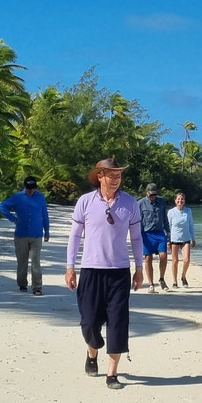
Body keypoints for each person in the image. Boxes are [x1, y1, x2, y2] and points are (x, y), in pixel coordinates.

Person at [65, 157, 144, 390]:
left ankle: (112, 374)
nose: (116, 178)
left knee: (118, 322)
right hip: (90, 270)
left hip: (119, 272)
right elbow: (75, 237)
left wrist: (139, 268)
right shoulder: (85, 202)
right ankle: (92, 352)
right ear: (100, 176)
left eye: (119, 174)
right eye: (111, 174)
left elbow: (137, 238)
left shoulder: (130, 203)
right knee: (89, 323)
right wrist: (70, 267)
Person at [0, 176, 50, 295]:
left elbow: (45, 215)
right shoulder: (17, 197)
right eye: (28, 188)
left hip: (36, 234)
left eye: (32, 188)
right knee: (22, 261)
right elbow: (1, 206)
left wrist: (47, 231)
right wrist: (13, 219)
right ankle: (22, 284)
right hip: (21, 234)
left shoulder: (40, 197)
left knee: (35, 261)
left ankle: (37, 287)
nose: (30, 190)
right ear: (24, 187)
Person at [139, 182, 171, 291]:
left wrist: (168, 232)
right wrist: (137, 236)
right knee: (148, 258)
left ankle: (161, 279)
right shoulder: (140, 204)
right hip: (146, 234)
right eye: (151, 194)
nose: (153, 197)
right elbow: (138, 221)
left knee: (163, 255)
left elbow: (165, 218)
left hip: (160, 233)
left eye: (155, 194)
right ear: (146, 193)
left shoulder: (161, 202)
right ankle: (150, 284)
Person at [167, 191, 196, 288]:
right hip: (174, 238)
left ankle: (183, 276)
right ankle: (174, 281)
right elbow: (168, 227)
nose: (180, 201)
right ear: (175, 201)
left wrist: (193, 238)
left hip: (186, 238)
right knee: (175, 261)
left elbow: (191, 225)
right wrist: (168, 240)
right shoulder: (171, 212)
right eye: (178, 199)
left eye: (182, 199)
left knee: (187, 259)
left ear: (184, 200)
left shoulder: (188, 211)